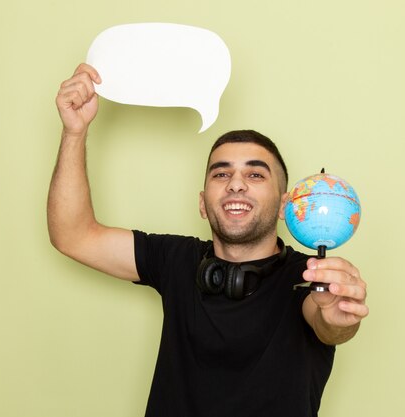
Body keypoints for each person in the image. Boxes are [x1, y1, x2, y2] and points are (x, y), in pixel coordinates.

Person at [48, 63, 369, 417]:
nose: (236, 183)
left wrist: (339, 318)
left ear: (284, 206)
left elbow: (326, 321)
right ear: (202, 203)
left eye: (255, 173)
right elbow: (73, 235)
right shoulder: (175, 259)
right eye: (222, 173)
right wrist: (74, 132)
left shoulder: (311, 276)